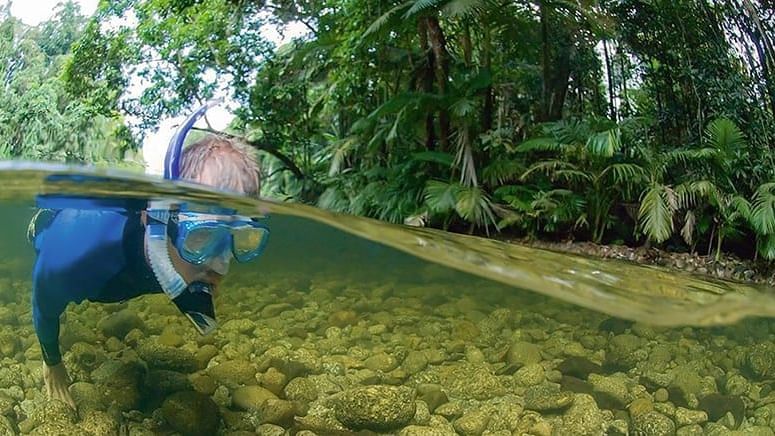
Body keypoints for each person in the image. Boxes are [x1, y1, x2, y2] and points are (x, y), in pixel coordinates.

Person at [28, 102, 269, 409]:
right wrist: (52, 362)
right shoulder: (75, 256)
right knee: (41, 230)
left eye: (236, 239)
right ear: (154, 219)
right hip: (55, 227)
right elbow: (43, 306)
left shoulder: (185, 262)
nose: (220, 265)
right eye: (202, 237)